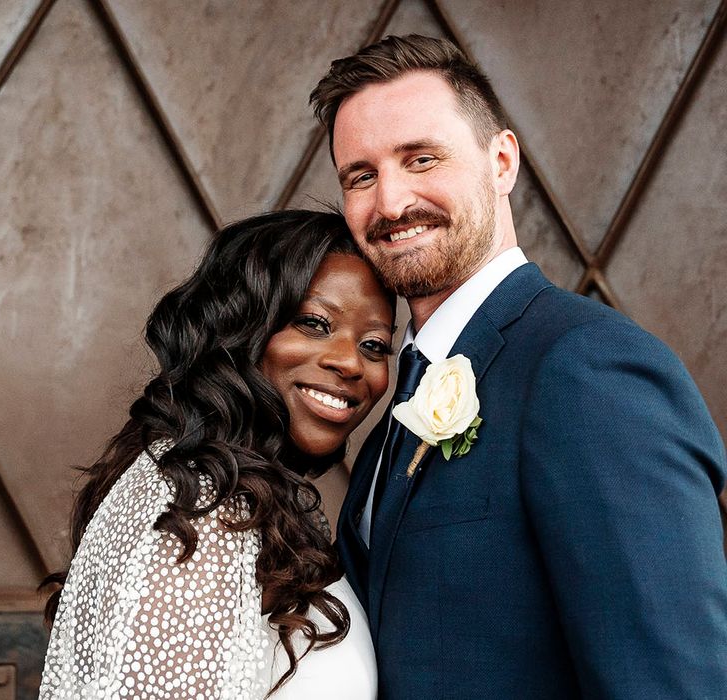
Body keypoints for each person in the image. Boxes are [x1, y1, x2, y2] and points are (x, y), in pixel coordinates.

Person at [310, 34, 727, 698]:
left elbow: (671, 683)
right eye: (361, 175)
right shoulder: (403, 389)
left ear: (501, 161)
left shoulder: (590, 370)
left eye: (421, 158)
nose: (390, 203)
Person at [38, 210, 394, 699]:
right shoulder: (197, 520)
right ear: (238, 329)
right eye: (314, 323)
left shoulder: (233, 501)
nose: (351, 362)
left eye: (375, 345)